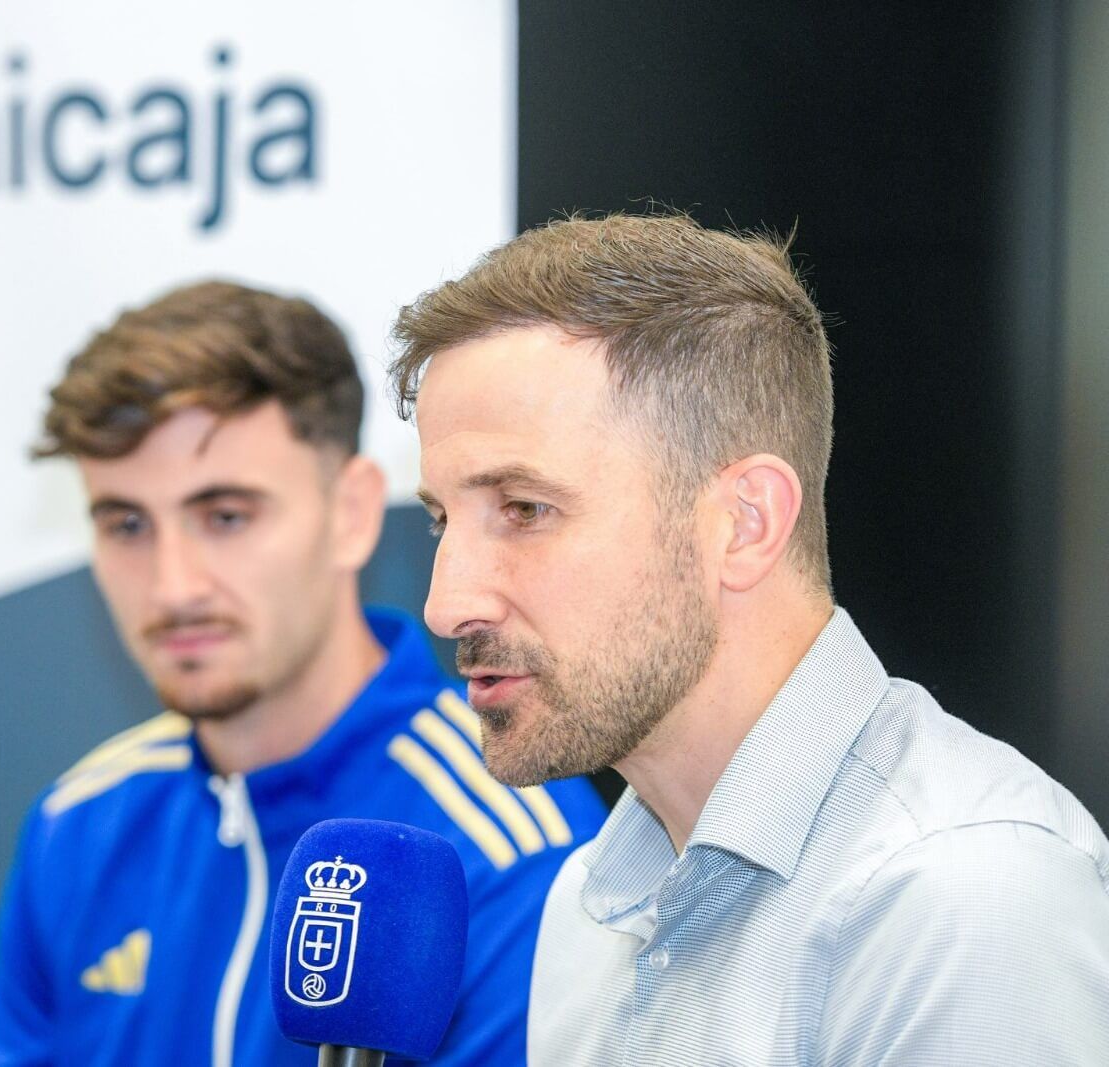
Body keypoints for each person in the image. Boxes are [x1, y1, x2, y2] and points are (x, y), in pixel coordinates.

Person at [390, 213, 1109, 1064]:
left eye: (525, 510)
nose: (446, 605)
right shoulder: (588, 901)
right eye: (443, 519)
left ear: (744, 523)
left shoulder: (962, 893)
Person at [0, 280, 608, 1066]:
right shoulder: (79, 824)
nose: (174, 585)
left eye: (226, 516)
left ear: (351, 513)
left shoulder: (511, 849)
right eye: (127, 524)